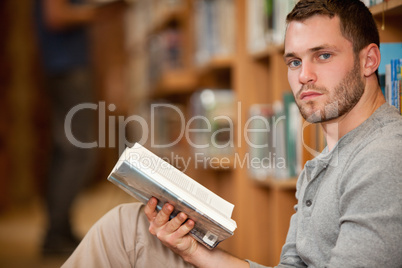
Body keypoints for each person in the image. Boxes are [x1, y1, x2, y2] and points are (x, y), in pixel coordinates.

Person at [62, 0, 402, 267]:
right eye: (294, 62)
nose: (304, 76)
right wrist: (194, 251)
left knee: (125, 234)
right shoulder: (327, 159)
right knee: (128, 228)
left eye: (323, 55)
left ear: (369, 60)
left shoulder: (384, 158)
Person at [34, 0, 99, 255]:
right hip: (68, 67)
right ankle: (56, 231)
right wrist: (95, 12)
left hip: (62, 65)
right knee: (78, 150)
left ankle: (60, 228)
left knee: (66, 148)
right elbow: (56, 16)